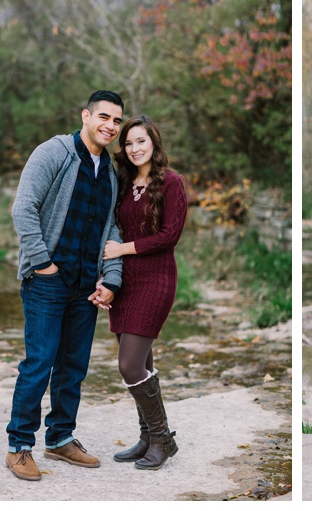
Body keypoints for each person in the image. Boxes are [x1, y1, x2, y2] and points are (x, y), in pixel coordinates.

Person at [6, 90, 125, 481]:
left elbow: (112, 227)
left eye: (117, 121)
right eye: (104, 117)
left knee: (73, 367)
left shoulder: (109, 171)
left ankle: (60, 439)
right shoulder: (53, 153)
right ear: (86, 116)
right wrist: (43, 264)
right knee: (39, 363)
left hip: (84, 285)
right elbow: (23, 208)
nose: (110, 126)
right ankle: (19, 446)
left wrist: (110, 277)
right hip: (48, 280)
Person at [102, 115, 188, 470]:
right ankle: (147, 438)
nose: (135, 148)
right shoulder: (122, 182)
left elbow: (170, 236)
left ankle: (163, 437)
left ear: (154, 144)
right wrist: (108, 276)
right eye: (129, 143)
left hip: (155, 281)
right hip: (125, 282)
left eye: (142, 141)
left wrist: (122, 250)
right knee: (143, 365)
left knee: (129, 364)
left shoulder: (171, 183)